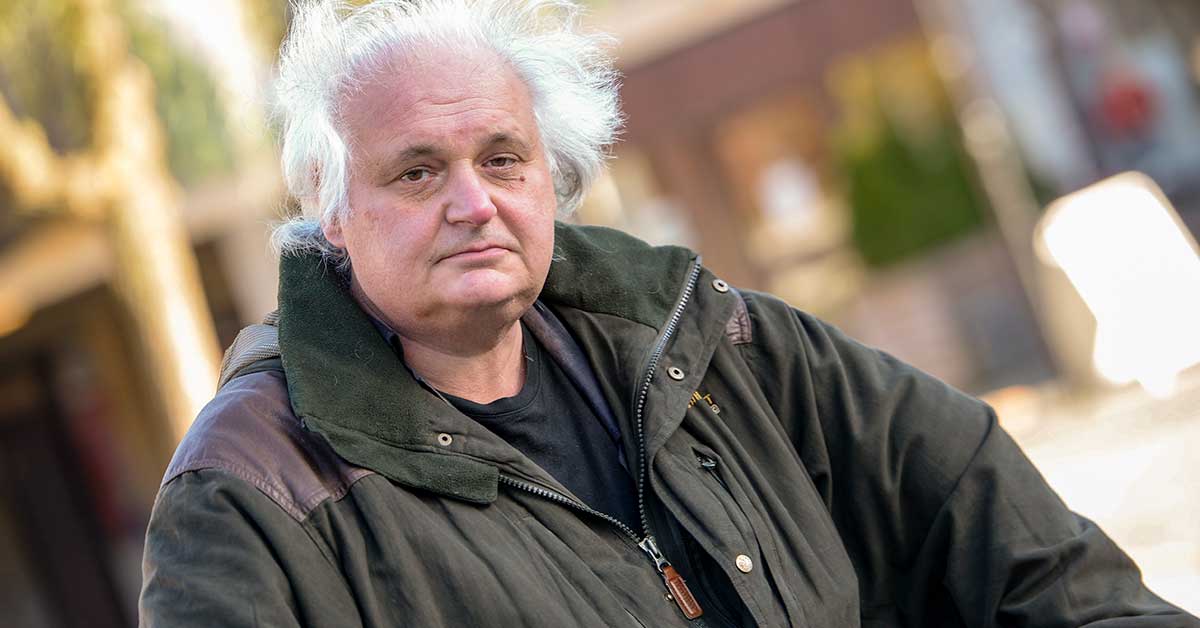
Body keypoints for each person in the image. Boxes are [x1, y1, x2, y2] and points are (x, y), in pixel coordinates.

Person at [139, 1, 1197, 626]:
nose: (474, 203)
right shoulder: (252, 492)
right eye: (416, 172)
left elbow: (1027, 553)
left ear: (550, 178)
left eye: (502, 159)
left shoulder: (712, 342)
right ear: (330, 211)